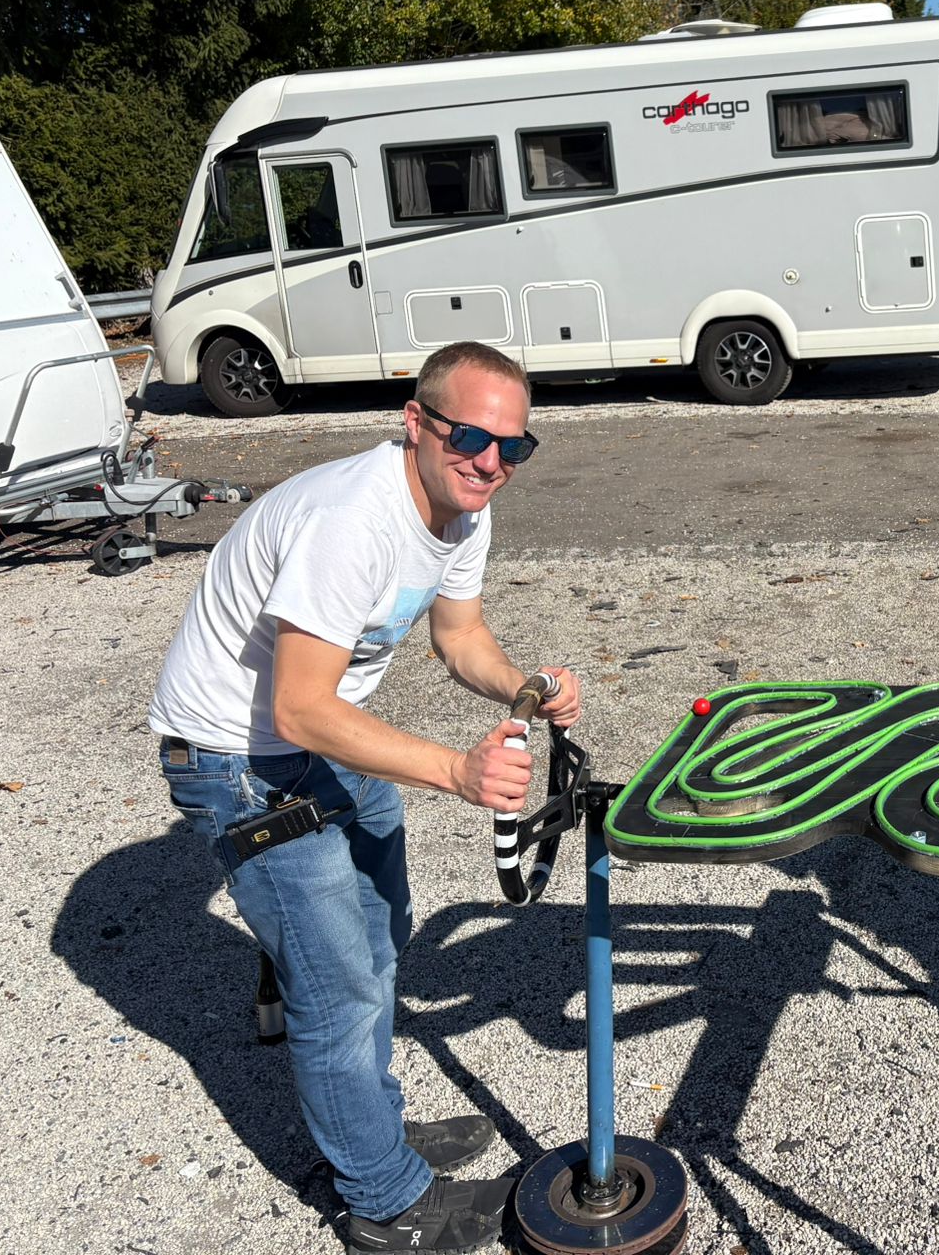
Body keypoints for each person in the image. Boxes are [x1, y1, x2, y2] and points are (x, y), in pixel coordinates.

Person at [150, 342, 582, 1253]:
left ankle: (367, 1129)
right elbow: (298, 705)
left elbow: (459, 637)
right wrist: (457, 773)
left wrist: (524, 687)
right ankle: (384, 1204)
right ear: (416, 421)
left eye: (515, 445)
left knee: (384, 931)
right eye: (470, 434)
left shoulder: (465, 508)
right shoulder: (354, 518)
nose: (492, 461)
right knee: (339, 984)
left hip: (314, 740)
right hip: (234, 757)